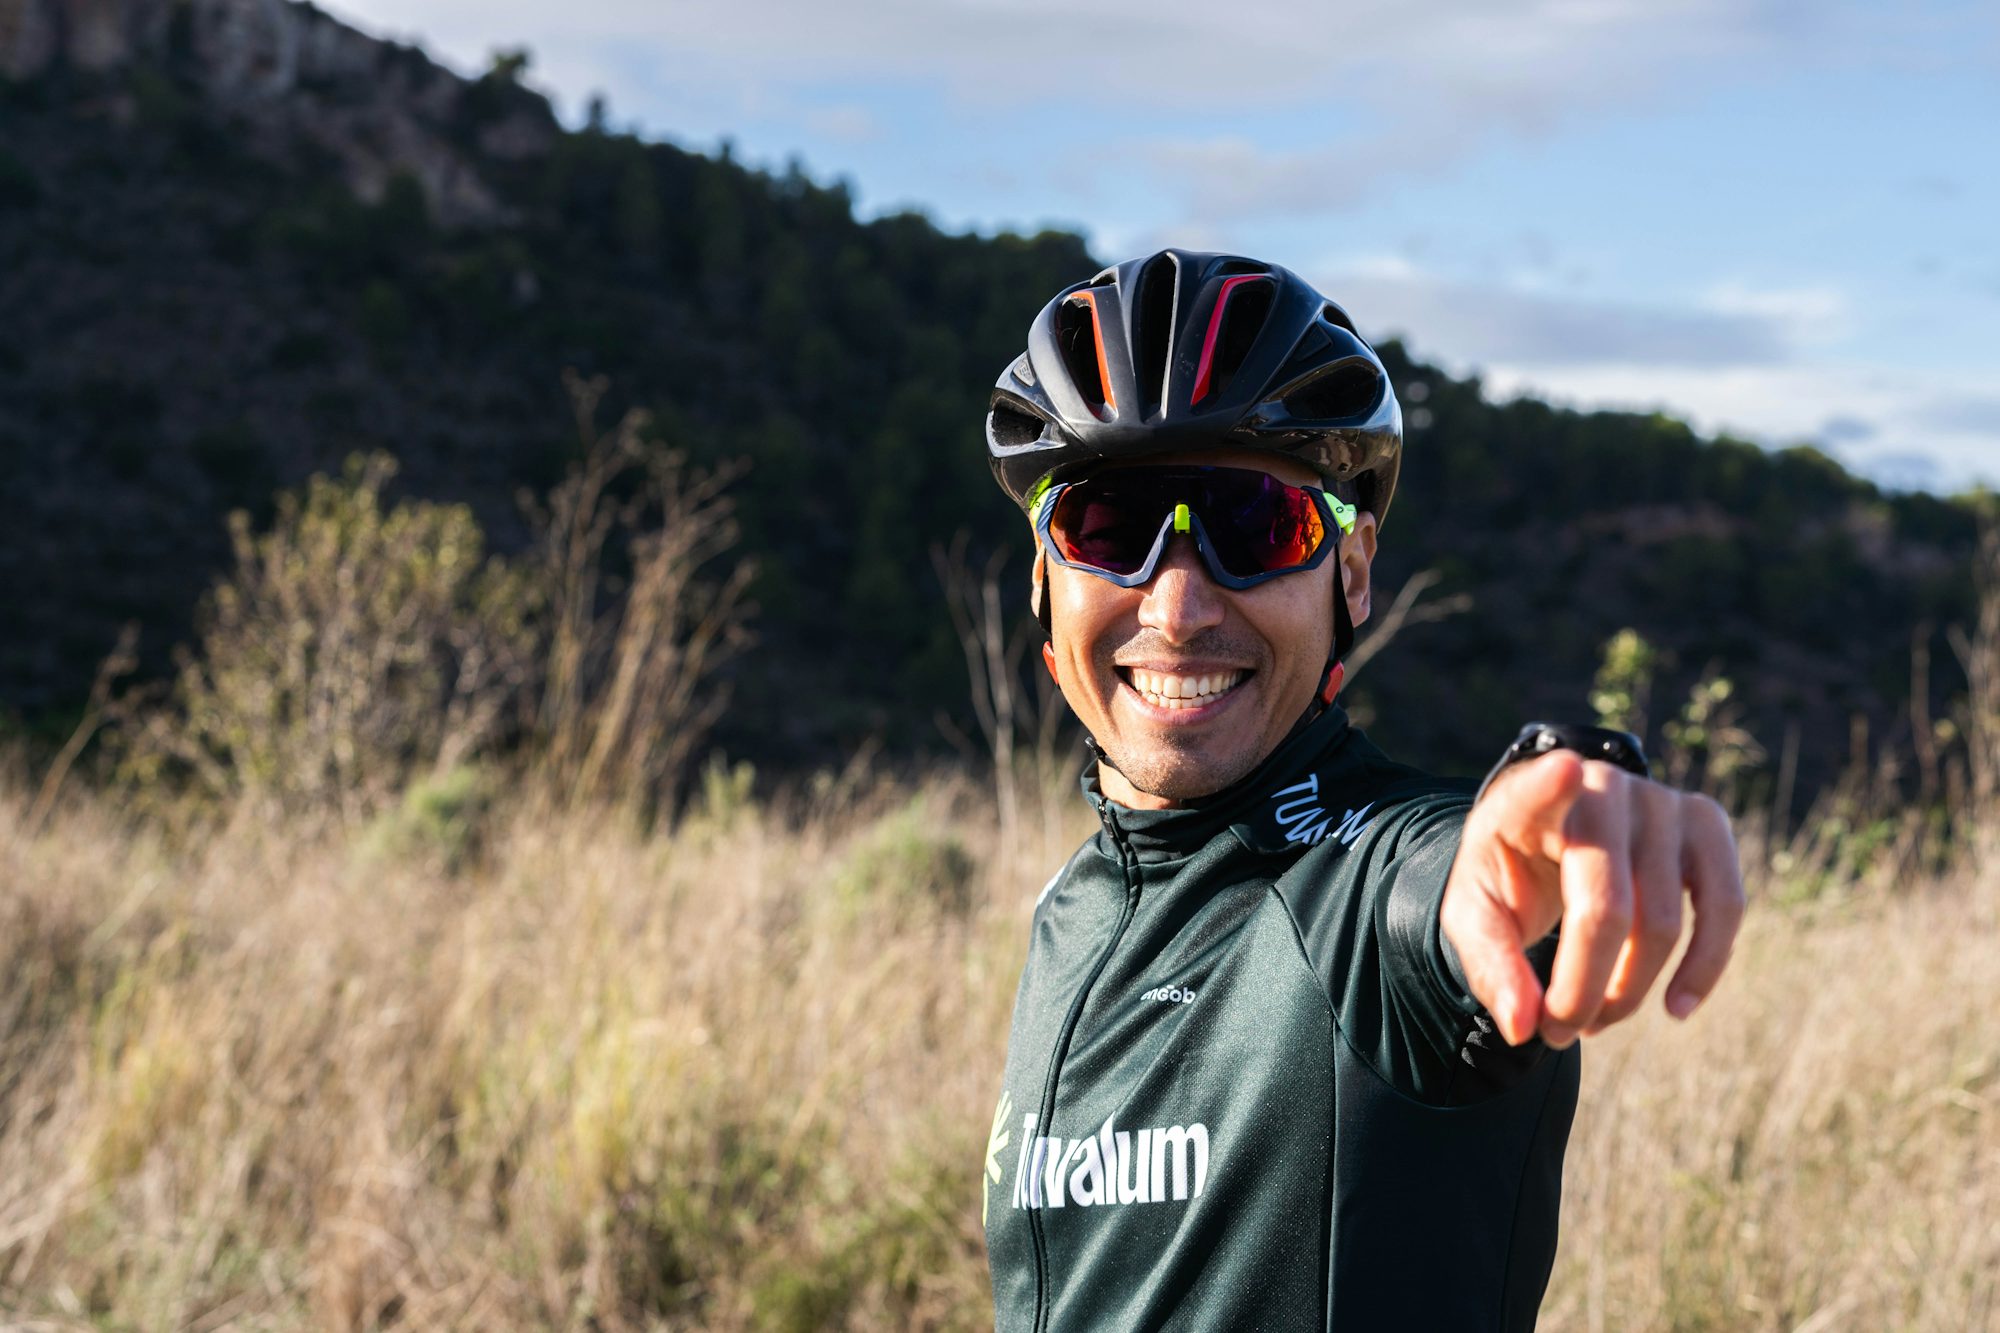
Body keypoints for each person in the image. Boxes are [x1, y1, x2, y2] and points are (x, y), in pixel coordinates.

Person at [977, 249, 1744, 1331]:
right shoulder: (1072, 904)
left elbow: (1448, 896)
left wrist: (1541, 843)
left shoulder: (1370, 891)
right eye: (1106, 527)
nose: (1178, 605)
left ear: (1350, 569)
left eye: (1256, 526)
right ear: (1043, 578)